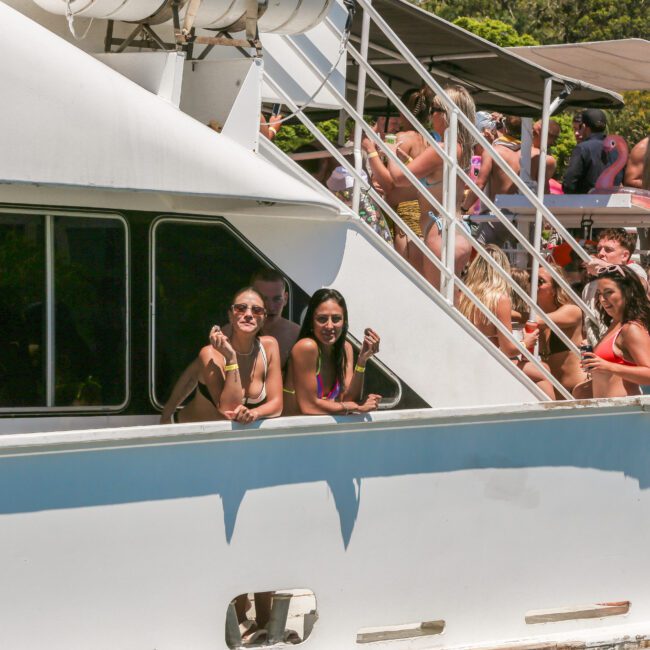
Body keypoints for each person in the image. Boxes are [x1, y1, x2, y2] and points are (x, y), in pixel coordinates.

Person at [363, 85, 476, 290]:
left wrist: (382, 151)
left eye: (435, 110)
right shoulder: (459, 147)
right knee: (451, 299)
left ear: (447, 115)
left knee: (433, 301)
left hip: (436, 232)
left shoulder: (442, 148)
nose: (431, 115)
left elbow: (396, 179)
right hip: (455, 229)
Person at [160, 287, 282, 424]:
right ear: (230, 315)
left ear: (264, 318)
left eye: (257, 310)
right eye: (241, 308)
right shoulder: (210, 353)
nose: (248, 314)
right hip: (187, 435)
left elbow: (277, 405)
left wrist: (255, 413)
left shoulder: (270, 347)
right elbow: (230, 409)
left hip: (230, 440)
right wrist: (231, 358)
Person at [456, 245, 555, 399]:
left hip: (469, 357)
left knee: (541, 370)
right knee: (544, 373)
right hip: (491, 360)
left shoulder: (462, 295)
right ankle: (553, 418)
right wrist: (526, 341)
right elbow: (509, 349)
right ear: (502, 270)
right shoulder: (499, 299)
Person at [283, 288, 381, 415]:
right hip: (294, 432)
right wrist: (356, 407)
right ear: (312, 322)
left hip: (323, 430)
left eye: (336, 319)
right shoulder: (306, 347)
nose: (329, 326)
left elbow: (347, 399)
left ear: (344, 322)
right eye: (322, 319)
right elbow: (309, 406)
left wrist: (362, 360)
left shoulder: (346, 348)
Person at [577, 265, 650, 398]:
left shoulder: (632, 328)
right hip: (608, 412)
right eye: (599, 294)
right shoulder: (615, 324)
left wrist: (608, 366)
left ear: (628, 292)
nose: (602, 299)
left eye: (609, 292)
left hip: (625, 412)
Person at [581, 228, 648, 347]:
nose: (601, 253)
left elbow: (638, 284)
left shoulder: (634, 270)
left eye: (608, 250)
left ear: (625, 255)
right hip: (600, 349)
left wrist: (606, 268)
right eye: (599, 249)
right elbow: (587, 325)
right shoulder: (589, 287)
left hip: (628, 345)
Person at [536, 265, 587, 398]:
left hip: (578, 391)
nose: (533, 285)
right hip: (556, 393)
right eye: (531, 280)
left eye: (540, 281)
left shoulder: (571, 310)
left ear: (555, 288)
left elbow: (537, 320)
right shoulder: (540, 315)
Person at [250, 268, 301, 368]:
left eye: (277, 299)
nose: (270, 307)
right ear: (251, 297)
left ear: (285, 299)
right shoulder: (231, 334)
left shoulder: (297, 336)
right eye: (263, 299)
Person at [562, 108, 609, 194]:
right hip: (613, 204)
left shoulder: (583, 148)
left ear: (583, 126)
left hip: (586, 203)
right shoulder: (617, 149)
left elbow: (568, 185)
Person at [531, 119, 560, 193]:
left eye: (556, 138)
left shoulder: (515, 151)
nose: (553, 142)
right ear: (537, 131)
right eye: (552, 136)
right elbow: (544, 192)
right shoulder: (546, 160)